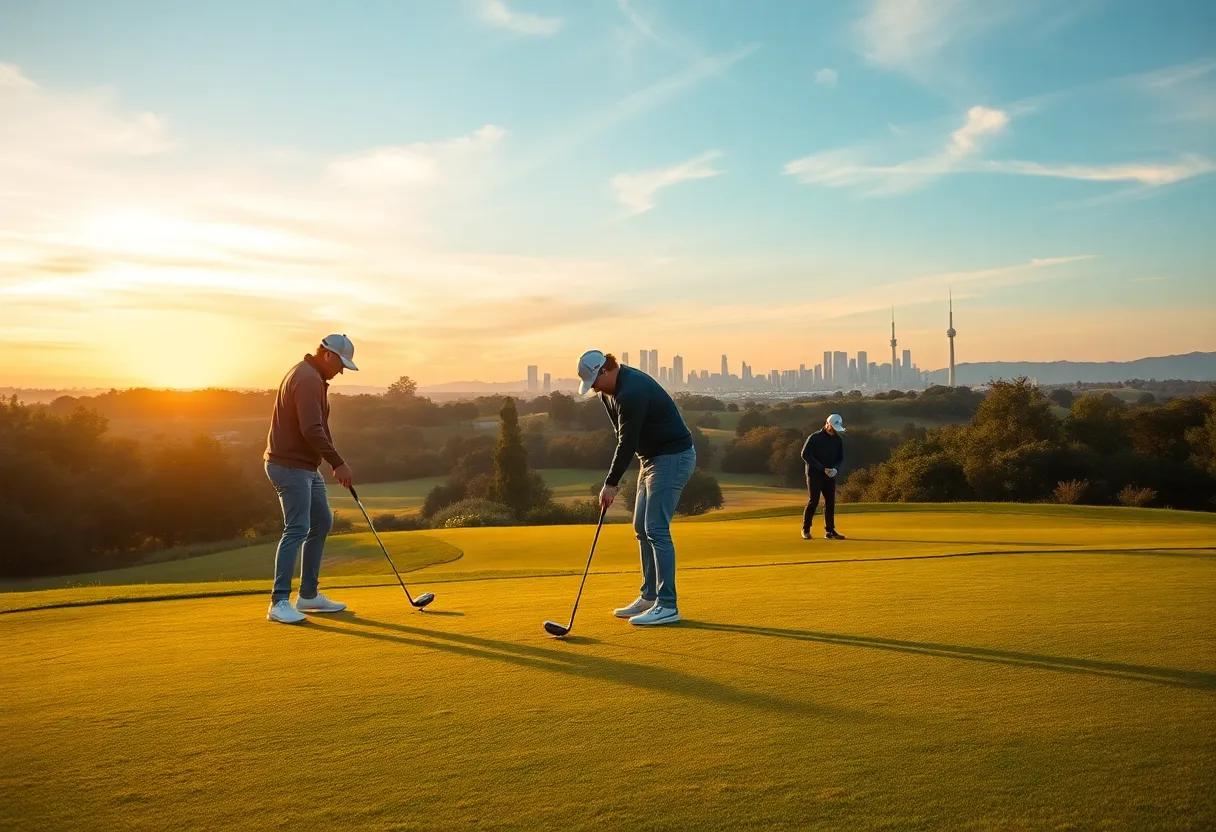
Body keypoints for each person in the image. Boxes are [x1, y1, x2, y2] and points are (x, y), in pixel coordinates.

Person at [577, 350, 696, 626]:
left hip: (672, 457)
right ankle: (649, 596)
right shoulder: (606, 393)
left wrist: (611, 483)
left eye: (595, 380)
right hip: (650, 459)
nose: (593, 387)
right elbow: (622, 435)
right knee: (641, 528)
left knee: (656, 528)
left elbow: (626, 443)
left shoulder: (632, 391)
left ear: (606, 371)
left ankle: (668, 605)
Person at [263, 334, 359, 624]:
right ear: (327, 355)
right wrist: (338, 462)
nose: (341, 371)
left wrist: (329, 461)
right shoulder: (307, 379)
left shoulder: (311, 376)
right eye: (340, 364)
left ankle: (307, 596)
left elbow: (320, 428)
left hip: (304, 466)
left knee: (321, 522)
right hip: (289, 466)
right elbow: (311, 429)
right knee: (297, 529)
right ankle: (279, 602)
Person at [801, 413, 847, 540]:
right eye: (832, 427)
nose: (833, 431)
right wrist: (822, 468)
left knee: (830, 502)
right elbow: (805, 455)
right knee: (813, 501)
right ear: (827, 424)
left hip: (830, 474)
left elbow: (840, 458)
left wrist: (835, 469)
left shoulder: (837, 440)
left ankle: (830, 531)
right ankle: (805, 529)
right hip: (814, 474)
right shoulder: (814, 437)